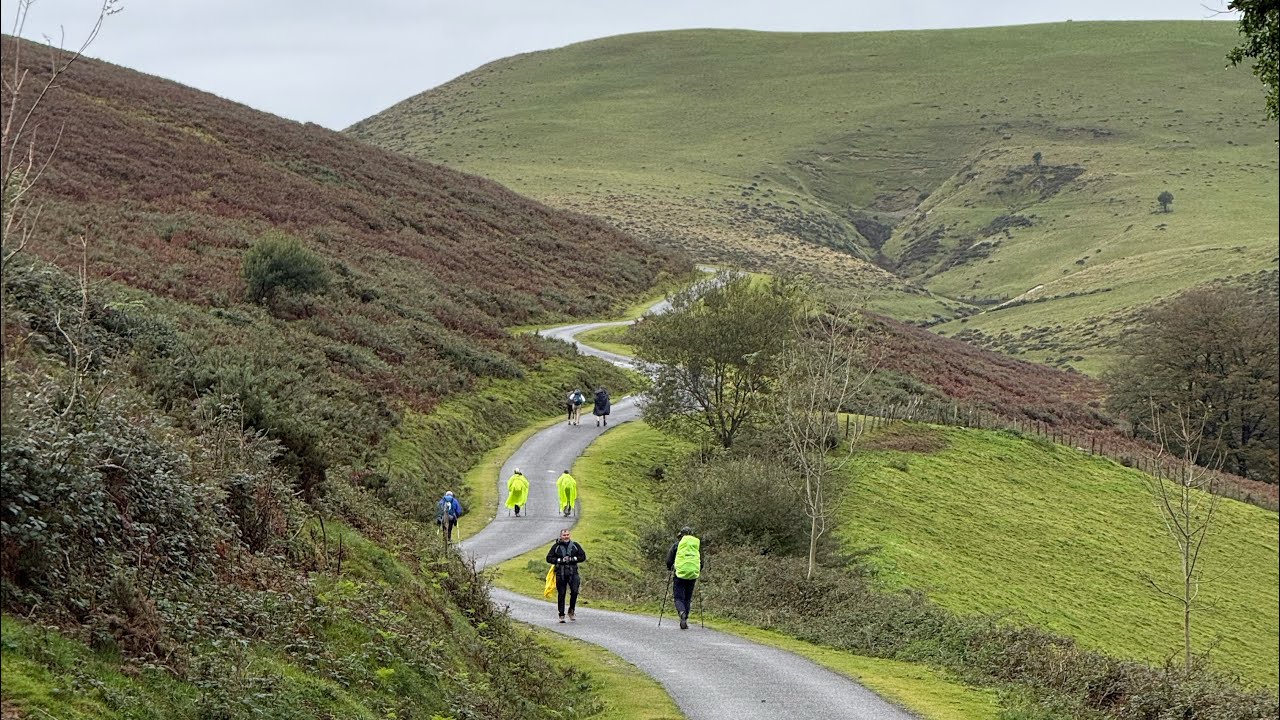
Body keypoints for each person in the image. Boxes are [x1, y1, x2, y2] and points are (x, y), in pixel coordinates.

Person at [545, 528, 587, 622]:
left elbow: (583, 556)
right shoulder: (556, 547)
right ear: (561, 536)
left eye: (567, 534)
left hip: (573, 573)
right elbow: (548, 558)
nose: (566, 536)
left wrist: (573, 559)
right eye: (564, 535)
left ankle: (571, 610)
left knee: (575, 592)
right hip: (561, 573)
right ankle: (561, 614)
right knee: (562, 593)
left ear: (570, 535)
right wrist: (559, 560)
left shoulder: (575, 546)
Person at [665, 527, 703, 630]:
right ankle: (685, 619)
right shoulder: (695, 545)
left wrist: (670, 568)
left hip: (679, 574)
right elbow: (700, 561)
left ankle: (681, 613)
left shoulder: (677, 545)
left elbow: (669, 560)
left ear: (681, 535)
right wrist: (697, 571)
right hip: (692, 574)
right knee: (687, 598)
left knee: (678, 597)